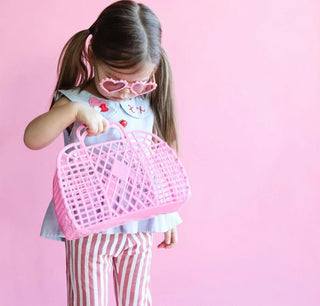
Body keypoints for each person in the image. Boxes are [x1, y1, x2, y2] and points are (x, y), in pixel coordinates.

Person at [24, 1, 182, 305]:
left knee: (138, 299)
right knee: (87, 301)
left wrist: (167, 213)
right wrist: (72, 110)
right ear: (93, 56)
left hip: (140, 222)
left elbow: (158, 159)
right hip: (89, 226)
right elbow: (32, 138)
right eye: (115, 80)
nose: (126, 91)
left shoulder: (147, 101)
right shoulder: (74, 101)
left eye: (138, 83)